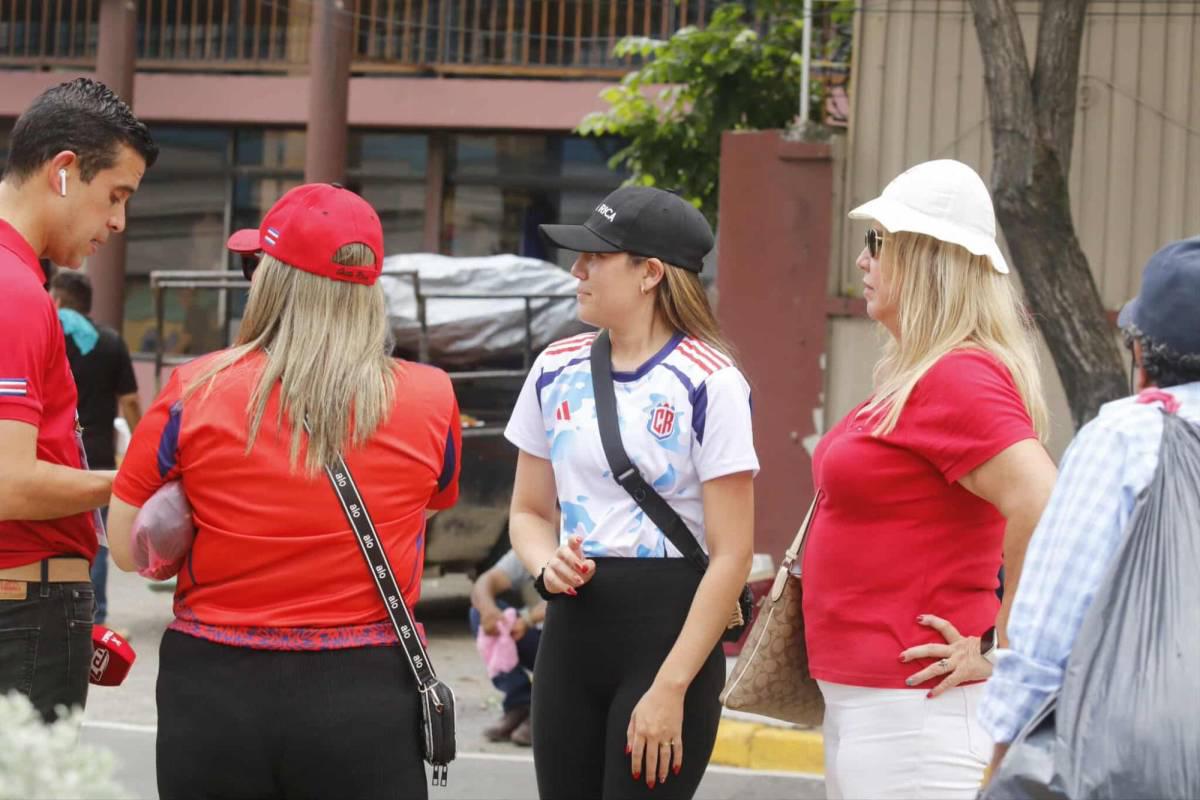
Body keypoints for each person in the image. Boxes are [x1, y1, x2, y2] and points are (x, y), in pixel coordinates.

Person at [104, 183, 462, 800]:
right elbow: (433, 501)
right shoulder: (432, 397)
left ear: (274, 282)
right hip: (366, 690)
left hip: (214, 688)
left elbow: (124, 548)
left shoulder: (195, 389)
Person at [802, 159, 1059, 799]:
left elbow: (1043, 499)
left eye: (878, 244)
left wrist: (1000, 648)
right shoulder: (924, 371)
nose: (862, 261)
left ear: (924, 259)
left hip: (915, 716)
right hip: (880, 706)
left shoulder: (957, 374)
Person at [506, 185, 758, 798]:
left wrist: (671, 687)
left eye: (597, 257)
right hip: (571, 631)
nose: (577, 270)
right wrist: (547, 565)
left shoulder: (710, 381)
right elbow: (529, 511)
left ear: (650, 273)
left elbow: (733, 554)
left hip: (669, 635)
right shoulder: (553, 368)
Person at [978, 236, 1200, 780]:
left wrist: (1005, 753)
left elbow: (1053, 616)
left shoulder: (1127, 437)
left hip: (1142, 758)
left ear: (1142, 353)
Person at [0, 77, 156, 722]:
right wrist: (130, 483)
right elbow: (7, 483)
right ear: (64, 171)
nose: (118, 221)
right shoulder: (14, 291)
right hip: (24, 607)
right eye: (115, 195)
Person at [50, 270, 142, 627]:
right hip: (98, 455)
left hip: (54, 455)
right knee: (97, 539)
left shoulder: (48, 336)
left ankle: (59, 612)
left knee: (56, 534)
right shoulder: (110, 342)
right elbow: (131, 401)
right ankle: (95, 618)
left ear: (57, 300)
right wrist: (141, 445)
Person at [468, 549, 545, 746]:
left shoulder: (580, 539)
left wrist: (527, 619)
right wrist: (488, 610)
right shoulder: (531, 539)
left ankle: (544, 713)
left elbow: (574, 599)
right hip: (536, 637)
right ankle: (519, 704)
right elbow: (485, 582)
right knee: (480, 615)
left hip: (568, 640)